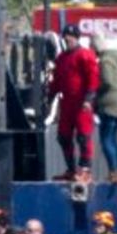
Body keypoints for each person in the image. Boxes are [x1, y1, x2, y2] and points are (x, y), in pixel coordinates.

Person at [48, 25, 100, 179]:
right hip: (67, 103)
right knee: (63, 136)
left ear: (77, 37)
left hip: (81, 103)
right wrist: (50, 96)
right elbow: (57, 81)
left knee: (83, 136)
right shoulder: (62, 58)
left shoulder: (85, 55)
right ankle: (71, 169)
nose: (67, 38)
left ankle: (85, 169)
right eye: (65, 35)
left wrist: (89, 98)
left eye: (70, 35)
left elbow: (93, 78)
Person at [91, 34, 117, 182]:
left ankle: (114, 172)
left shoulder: (105, 61)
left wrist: (95, 90)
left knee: (106, 139)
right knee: (114, 139)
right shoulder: (115, 59)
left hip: (109, 102)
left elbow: (106, 81)